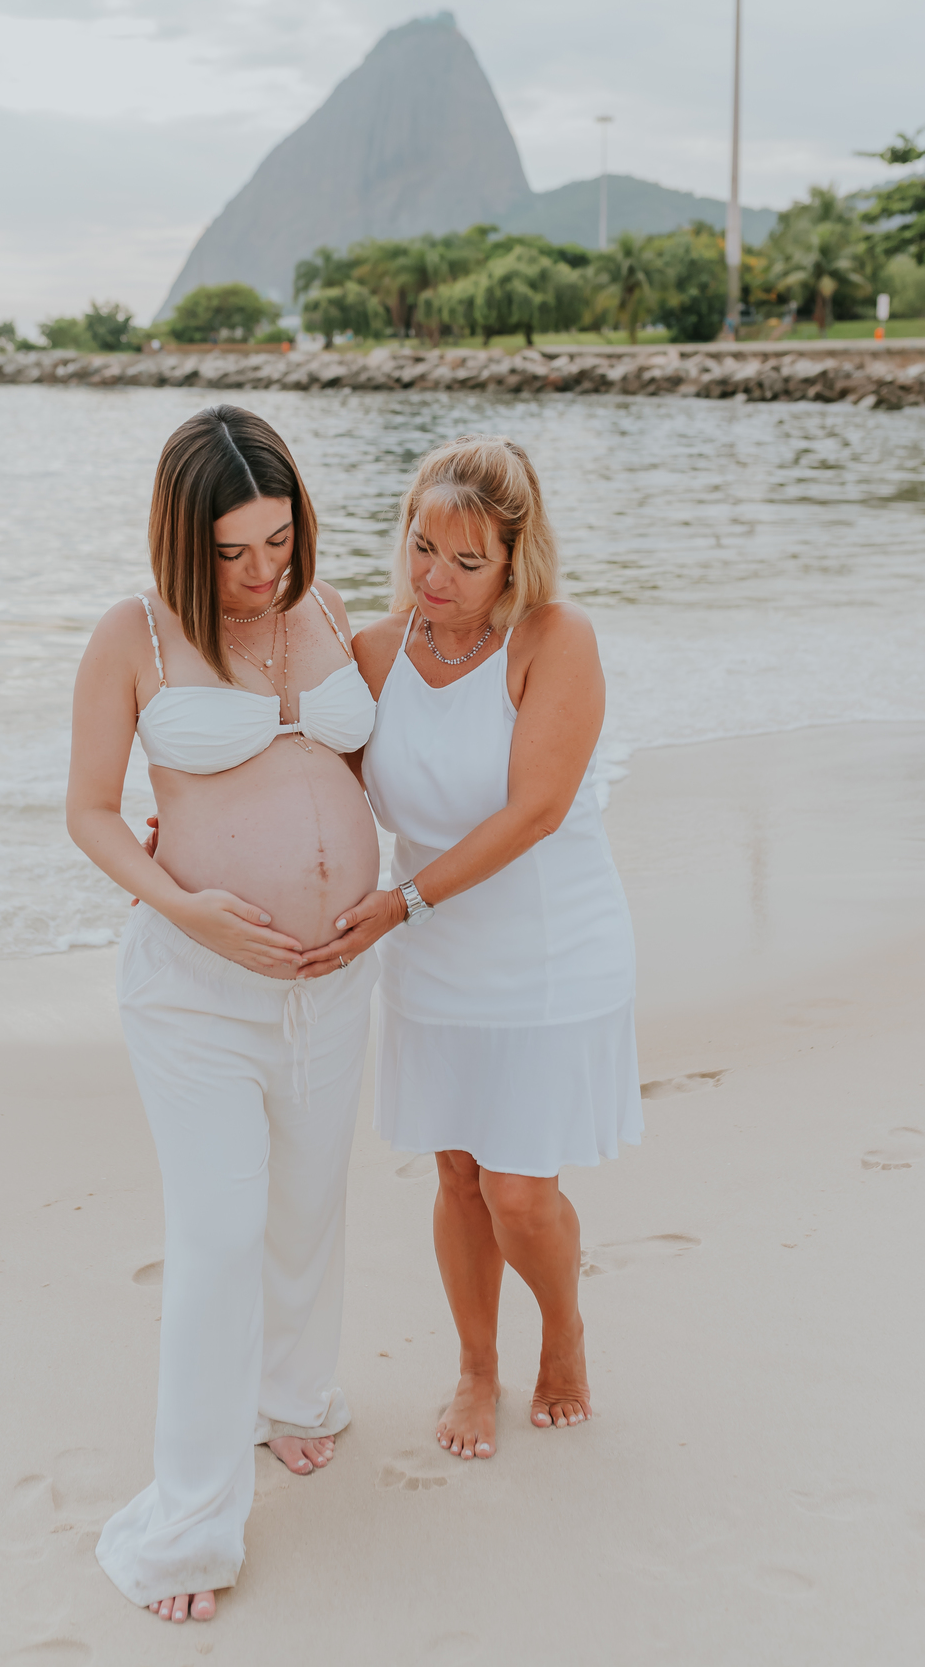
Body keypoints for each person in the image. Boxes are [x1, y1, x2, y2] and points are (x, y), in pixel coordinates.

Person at [66, 405, 380, 1624]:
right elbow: (93, 810)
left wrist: (380, 892)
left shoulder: (327, 608)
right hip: (197, 994)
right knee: (217, 1234)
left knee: (308, 1206)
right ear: (181, 542)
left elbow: (352, 768)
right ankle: (191, 1522)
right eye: (233, 552)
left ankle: (291, 1396)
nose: (262, 572)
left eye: (280, 540)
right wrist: (187, 904)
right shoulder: (134, 635)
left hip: (332, 980)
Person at [299, 434, 642, 1463]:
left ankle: (564, 1331)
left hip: (548, 945)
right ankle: (477, 1367)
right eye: (421, 548)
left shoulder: (555, 639)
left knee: (519, 1191)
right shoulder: (372, 653)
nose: (434, 578)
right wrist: (187, 829)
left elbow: (536, 811)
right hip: (433, 956)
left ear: (513, 560)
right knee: (457, 1175)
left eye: (465, 560)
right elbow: (306, 780)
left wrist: (402, 902)